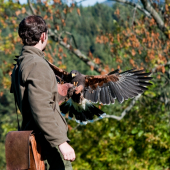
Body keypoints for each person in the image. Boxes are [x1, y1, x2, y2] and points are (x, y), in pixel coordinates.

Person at [10, 15, 75, 170]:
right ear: (43, 36)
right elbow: (40, 107)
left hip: (36, 139)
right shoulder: (36, 64)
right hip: (47, 144)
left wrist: (62, 92)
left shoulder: (22, 62)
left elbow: (33, 99)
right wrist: (61, 143)